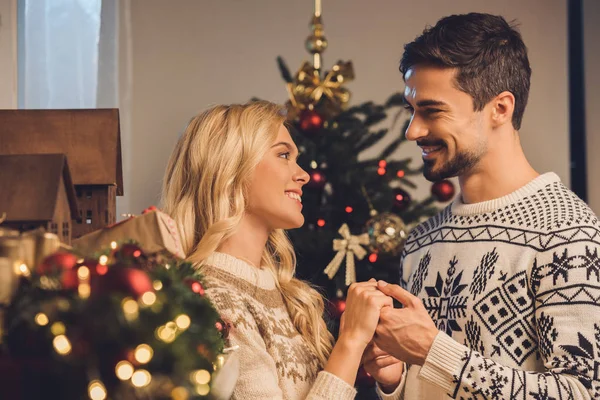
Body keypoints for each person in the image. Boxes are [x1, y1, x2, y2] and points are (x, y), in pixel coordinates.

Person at [361, 12, 600, 399]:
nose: (413, 131)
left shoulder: (567, 234)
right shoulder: (422, 241)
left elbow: (584, 392)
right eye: (412, 111)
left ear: (500, 109)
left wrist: (434, 351)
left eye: (432, 111)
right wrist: (395, 380)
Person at [161, 100, 393, 399]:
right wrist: (350, 342)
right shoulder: (207, 297)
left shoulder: (288, 296)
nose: (303, 175)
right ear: (231, 167)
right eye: (284, 155)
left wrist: (387, 381)